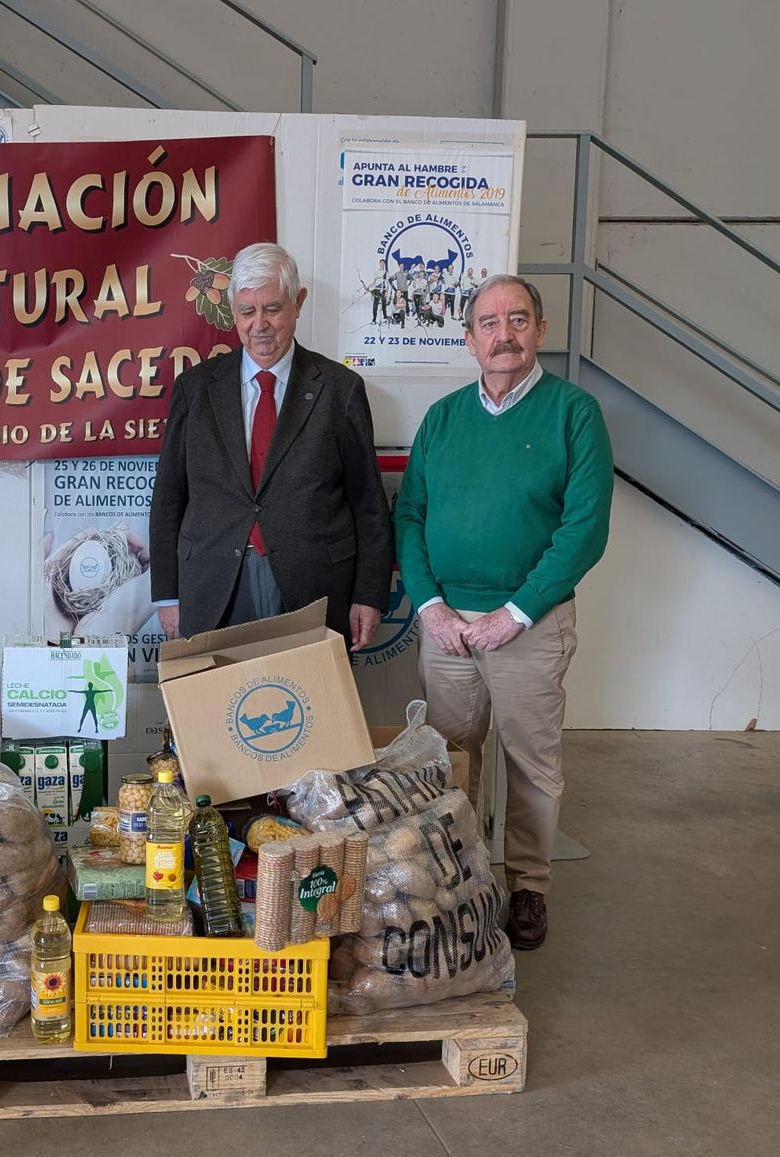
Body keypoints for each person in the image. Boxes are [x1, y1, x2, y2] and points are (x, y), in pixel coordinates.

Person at [394, 275, 613, 951]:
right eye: (488, 323)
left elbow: (585, 528)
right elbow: (410, 516)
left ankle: (528, 887)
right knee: (449, 760)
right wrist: (429, 605)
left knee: (531, 763)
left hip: (529, 625)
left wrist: (515, 613)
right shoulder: (444, 418)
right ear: (469, 340)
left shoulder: (573, 414)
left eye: (518, 319)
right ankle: (455, 875)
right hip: (447, 626)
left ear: (540, 331)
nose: (504, 334)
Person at [150, 241, 392, 645]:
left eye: (273, 308)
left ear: (298, 303)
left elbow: (368, 503)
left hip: (314, 586)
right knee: (217, 706)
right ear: (233, 313)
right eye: (247, 311)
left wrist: (368, 594)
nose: (259, 324)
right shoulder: (195, 390)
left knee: (310, 706)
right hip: (214, 586)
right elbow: (169, 498)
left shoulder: (340, 389)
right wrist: (168, 594)